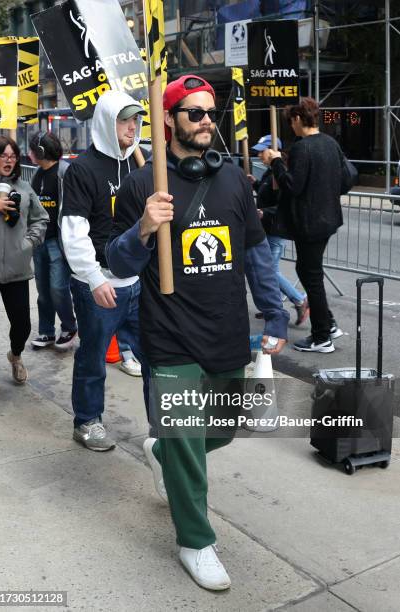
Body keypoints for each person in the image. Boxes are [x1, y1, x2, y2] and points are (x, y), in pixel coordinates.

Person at [106, 75, 288, 590]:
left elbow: (255, 252)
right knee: (185, 434)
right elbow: (117, 262)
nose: (207, 119)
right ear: (168, 121)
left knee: (223, 429)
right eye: (194, 112)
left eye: (211, 112)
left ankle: (164, 452)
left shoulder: (233, 178)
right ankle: (196, 541)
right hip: (169, 333)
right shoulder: (144, 185)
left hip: (227, 329)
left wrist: (273, 314)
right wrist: (143, 227)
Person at [61, 90, 150, 451]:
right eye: (124, 120)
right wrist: (95, 279)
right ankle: (87, 421)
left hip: (137, 282)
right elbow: (73, 231)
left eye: (136, 120)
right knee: (94, 355)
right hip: (97, 284)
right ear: (105, 123)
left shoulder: (138, 166)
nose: (132, 127)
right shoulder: (83, 169)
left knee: (156, 355)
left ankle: (165, 423)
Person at [263, 97, 344, 353]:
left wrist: (275, 162)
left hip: (309, 223)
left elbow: (292, 185)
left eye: (291, 122)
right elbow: (348, 176)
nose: (291, 127)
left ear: (298, 119)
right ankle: (328, 324)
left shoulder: (303, 148)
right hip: (328, 219)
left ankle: (322, 336)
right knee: (311, 272)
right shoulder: (331, 143)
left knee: (311, 276)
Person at [0, 136, 49, 392]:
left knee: (22, 324)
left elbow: (41, 218)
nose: (8, 161)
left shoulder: (24, 188)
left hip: (17, 269)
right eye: (3, 155)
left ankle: (15, 355)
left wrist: (29, 242)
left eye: (13, 156)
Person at [249, 134, 309, 324]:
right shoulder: (269, 172)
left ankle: (299, 300)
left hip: (276, 229)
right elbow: (268, 195)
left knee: (269, 271)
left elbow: (284, 203)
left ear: (273, 150)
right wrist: (256, 184)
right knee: (265, 269)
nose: (259, 156)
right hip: (267, 228)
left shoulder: (280, 172)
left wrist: (263, 212)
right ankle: (273, 306)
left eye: (262, 152)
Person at [28, 132, 77, 351]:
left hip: (58, 241)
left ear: (40, 152)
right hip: (39, 241)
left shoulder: (65, 172)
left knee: (58, 288)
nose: (28, 154)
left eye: (32, 150)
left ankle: (69, 326)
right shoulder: (37, 174)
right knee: (43, 291)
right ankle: (46, 332)